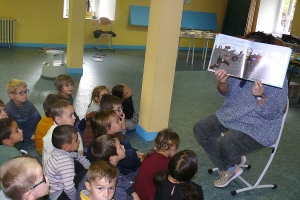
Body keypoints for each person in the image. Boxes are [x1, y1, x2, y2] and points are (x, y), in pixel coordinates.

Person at [193, 31, 288, 188]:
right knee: (200, 129)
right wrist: (222, 82)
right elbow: (225, 92)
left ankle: (230, 163)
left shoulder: (276, 75)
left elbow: (276, 112)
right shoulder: (239, 67)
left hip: (260, 125)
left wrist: (260, 97)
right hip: (232, 113)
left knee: (227, 145)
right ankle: (230, 165)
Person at [84, 134, 140, 200]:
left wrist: (134, 193)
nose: (123, 146)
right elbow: (123, 197)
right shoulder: (110, 180)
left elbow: (122, 177)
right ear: (113, 158)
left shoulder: (111, 167)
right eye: (120, 147)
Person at [86, 110, 141, 174]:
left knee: (125, 143)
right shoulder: (107, 145)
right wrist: (139, 161)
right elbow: (118, 161)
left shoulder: (106, 138)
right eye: (117, 121)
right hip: (109, 170)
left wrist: (136, 151)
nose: (121, 122)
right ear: (107, 128)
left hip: (112, 160)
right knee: (130, 153)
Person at [45, 125, 90, 200]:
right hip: (58, 195)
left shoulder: (58, 151)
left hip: (53, 189)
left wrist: (91, 166)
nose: (79, 141)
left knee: (86, 168)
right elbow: (68, 188)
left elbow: (78, 156)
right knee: (86, 173)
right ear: (66, 147)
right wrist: (75, 198)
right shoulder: (65, 161)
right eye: (76, 140)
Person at [134, 128, 180, 200]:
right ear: (173, 146)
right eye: (177, 147)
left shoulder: (151, 154)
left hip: (138, 193)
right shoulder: (167, 163)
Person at [42, 99, 84, 167]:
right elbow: (47, 159)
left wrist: (80, 150)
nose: (74, 118)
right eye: (70, 116)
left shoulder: (70, 126)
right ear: (58, 120)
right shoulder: (50, 137)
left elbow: (77, 136)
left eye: (74, 114)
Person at [5, 79, 41, 150]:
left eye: (25, 92)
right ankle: (27, 138)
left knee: (36, 115)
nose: (25, 95)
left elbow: (37, 118)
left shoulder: (28, 104)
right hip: (17, 127)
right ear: (12, 96)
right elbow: (8, 126)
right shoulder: (8, 109)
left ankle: (26, 137)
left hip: (27, 125)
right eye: (21, 93)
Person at [82, 86, 109, 150]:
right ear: (97, 98)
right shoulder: (96, 109)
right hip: (87, 124)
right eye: (104, 95)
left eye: (108, 94)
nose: (108, 97)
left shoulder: (101, 104)